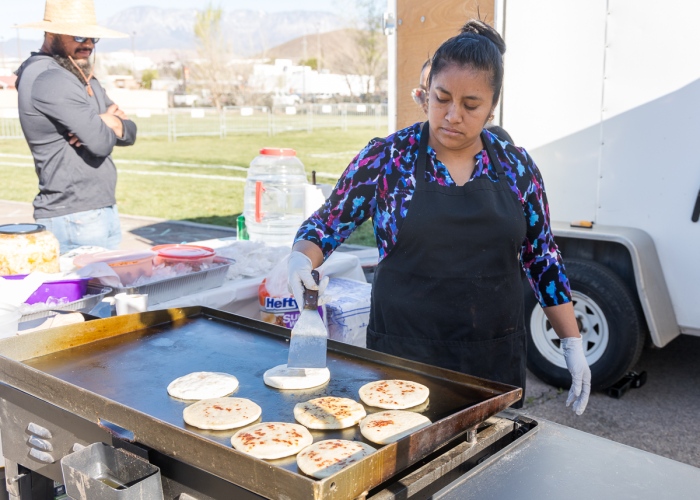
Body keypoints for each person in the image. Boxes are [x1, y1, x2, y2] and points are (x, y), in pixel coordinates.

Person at [289, 20, 591, 414]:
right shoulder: (388, 158)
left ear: (492, 107)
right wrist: (301, 257)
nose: (452, 115)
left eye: (470, 105)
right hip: (401, 359)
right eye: (441, 98)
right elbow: (326, 224)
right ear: (426, 93)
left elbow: (542, 258)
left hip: (493, 361)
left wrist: (571, 342)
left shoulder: (517, 168)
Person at [15, 0, 137, 254]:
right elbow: (101, 143)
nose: (89, 44)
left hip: (97, 211)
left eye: (94, 37)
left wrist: (107, 121)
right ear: (51, 33)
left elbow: (130, 132)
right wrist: (103, 122)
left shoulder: (79, 76)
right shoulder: (49, 77)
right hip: (73, 217)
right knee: (87, 293)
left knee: (110, 291)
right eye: (80, 36)